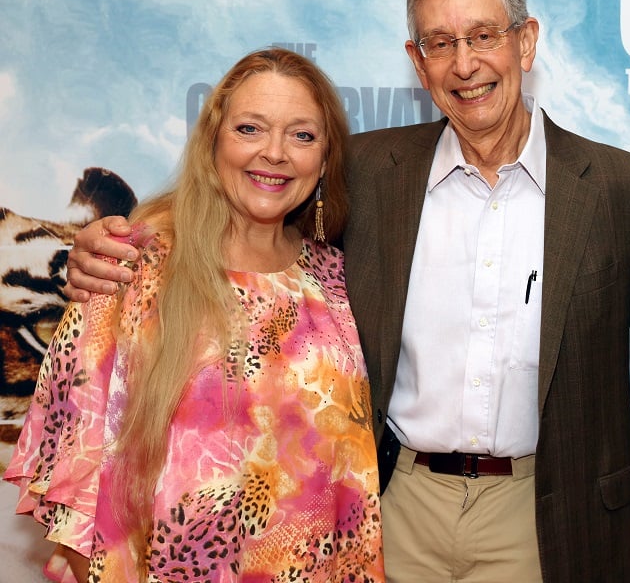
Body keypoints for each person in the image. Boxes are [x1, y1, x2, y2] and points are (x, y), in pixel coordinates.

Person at [65, 0, 630, 583]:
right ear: (417, 64)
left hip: (544, 510)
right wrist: (121, 240)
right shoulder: (365, 170)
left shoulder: (617, 189)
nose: (464, 64)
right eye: (439, 44)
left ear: (525, 42)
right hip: (393, 505)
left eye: (483, 36)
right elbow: (248, 214)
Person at [11, 48, 384, 582]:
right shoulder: (133, 265)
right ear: (213, 142)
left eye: (302, 135)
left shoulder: (334, 279)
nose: (275, 153)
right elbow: (76, 467)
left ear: (325, 160)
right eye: (250, 128)